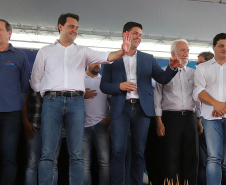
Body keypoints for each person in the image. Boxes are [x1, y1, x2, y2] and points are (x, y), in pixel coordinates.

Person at [30, 13, 131, 185]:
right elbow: (35, 80)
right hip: (51, 103)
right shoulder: (45, 51)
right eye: (71, 26)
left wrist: (122, 51)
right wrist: (48, 95)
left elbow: (106, 56)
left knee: (76, 154)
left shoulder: (83, 51)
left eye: (77, 27)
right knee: (48, 153)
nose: (75, 30)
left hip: (76, 103)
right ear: (60, 27)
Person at [100, 21, 181, 185]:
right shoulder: (112, 58)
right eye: (136, 33)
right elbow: (103, 86)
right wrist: (119, 86)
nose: (139, 37)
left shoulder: (148, 58)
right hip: (120, 110)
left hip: (142, 110)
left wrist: (171, 69)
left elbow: (162, 78)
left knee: (138, 152)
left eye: (140, 34)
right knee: (117, 151)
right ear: (126, 34)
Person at [154, 39, 201, 185]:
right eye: (182, 50)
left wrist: (199, 119)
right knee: (170, 157)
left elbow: (197, 98)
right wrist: (159, 121)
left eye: (187, 50)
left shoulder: (194, 73)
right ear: (173, 53)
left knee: (191, 157)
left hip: (190, 118)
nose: (186, 53)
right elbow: (157, 97)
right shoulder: (162, 73)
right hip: (170, 119)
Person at [193, 33, 226, 185]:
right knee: (214, 157)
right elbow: (197, 91)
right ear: (213, 47)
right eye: (221, 45)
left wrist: (222, 107)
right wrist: (215, 104)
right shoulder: (203, 68)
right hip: (210, 118)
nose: (224, 49)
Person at [0, 19, 30, 185]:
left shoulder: (19, 56)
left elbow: (24, 87)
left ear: (9, 33)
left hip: (11, 115)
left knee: (9, 156)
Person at [22, 88, 61, 185]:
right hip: (35, 127)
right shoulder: (32, 79)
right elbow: (24, 100)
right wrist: (26, 122)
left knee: (53, 163)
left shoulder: (58, 81)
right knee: (32, 163)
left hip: (54, 129)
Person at [83, 63, 111, 185]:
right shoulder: (79, 79)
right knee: (84, 163)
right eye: (94, 62)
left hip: (101, 126)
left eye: (99, 63)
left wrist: (109, 118)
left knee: (105, 162)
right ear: (87, 64)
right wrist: (82, 95)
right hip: (83, 127)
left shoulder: (104, 81)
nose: (97, 65)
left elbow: (112, 101)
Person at [195, 51, 214, 185]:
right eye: (197, 63)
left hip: (217, 125)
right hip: (201, 125)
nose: (197, 66)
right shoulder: (198, 80)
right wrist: (199, 120)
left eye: (200, 63)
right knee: (201, 162)